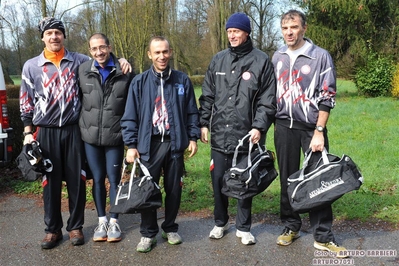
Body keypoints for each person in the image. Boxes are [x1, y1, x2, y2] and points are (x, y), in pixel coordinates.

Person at [20, 17, 131, 249]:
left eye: (58, 33)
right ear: (42, 37)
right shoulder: (32, 66)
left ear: (63, 36)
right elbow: (26, 101)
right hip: (46, 131)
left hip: (73, 130)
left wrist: (120, 60)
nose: (54, 37)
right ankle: (52, 230)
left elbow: (102, 61)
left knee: (76, 180)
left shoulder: (79, 62)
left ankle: (75, 227)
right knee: (49, 182)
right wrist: (28, 132)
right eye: (49, 33)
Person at [271, 10, 347, 257]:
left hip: (311, 129)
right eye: (285, 28)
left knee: (319, 182)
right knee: (288, 179)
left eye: (293, 27)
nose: (289, 32)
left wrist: (319, 131)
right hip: (283, 127)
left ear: (304, 28)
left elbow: (328, 96)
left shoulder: (320, 57)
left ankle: (323, 236)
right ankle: (291, 226)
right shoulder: (277, 57)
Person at [199, 12, 276, 245]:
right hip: (220, 135)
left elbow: (267, 99)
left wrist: (259, 127)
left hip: (248, 137)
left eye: (236, 31)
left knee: (246, 181)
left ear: (247, 33)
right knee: (219, 182)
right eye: (229, 32)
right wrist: (203, 123)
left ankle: (243, 227)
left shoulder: (261, 60)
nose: (232, 35)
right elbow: (208, 96)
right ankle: (220, 223)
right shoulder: (218, 60)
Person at [121, 36, 200, 253]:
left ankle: (170, 227)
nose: (162, 56)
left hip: (175, 144)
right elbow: (130, 116)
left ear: (170, 52)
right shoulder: (139, 82)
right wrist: (131, 144)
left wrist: (192, 137)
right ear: (150, 55)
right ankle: (148, 234)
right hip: (149, 144)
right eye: (157, 52)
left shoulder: (182, 81)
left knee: (174, 190)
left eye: (165, 52)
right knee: (148, 191)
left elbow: (192, 112)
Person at [78, 33, 135, 243]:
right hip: (90, 137)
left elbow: (132, 106)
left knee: (115, 180)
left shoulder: (125, 71)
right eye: (94, 49)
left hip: (115, 136)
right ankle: (101, 220)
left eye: (102, 47)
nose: (99, 52)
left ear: (109, 47)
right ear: (90, 51)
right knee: (98, 180)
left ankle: (114, 221)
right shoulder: (82, 70)